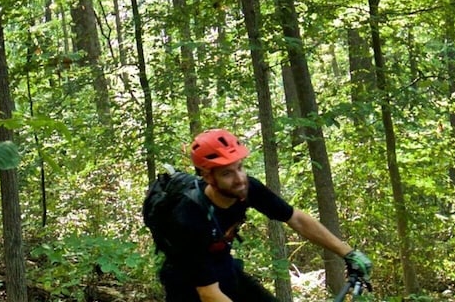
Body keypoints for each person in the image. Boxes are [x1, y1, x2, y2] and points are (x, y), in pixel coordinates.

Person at [150, 129, 373, 302]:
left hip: (223, 267)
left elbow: (296, 218)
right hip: (188, 284)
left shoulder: (247, 189)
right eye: (227, 173)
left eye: (240, 167)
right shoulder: (187, 218)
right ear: (208, 177)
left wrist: (348, 253)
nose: (239, 178)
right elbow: (209, 294)